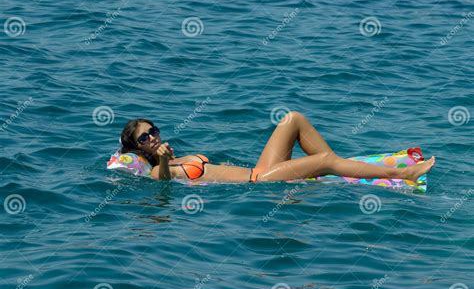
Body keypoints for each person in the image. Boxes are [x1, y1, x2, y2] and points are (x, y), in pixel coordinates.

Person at [119, 111, 435, 183]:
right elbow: (160, 185)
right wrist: (161, 162)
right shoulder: (152, 169)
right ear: (137, 148)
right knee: (323, 159)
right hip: (260, 182)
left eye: (153, 131)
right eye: (144, 137)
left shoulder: (174, 155)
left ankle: (334, 165)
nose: (153, 137)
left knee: (292, 119)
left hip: (260, 170)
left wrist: (169, 158)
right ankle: (404, 173)